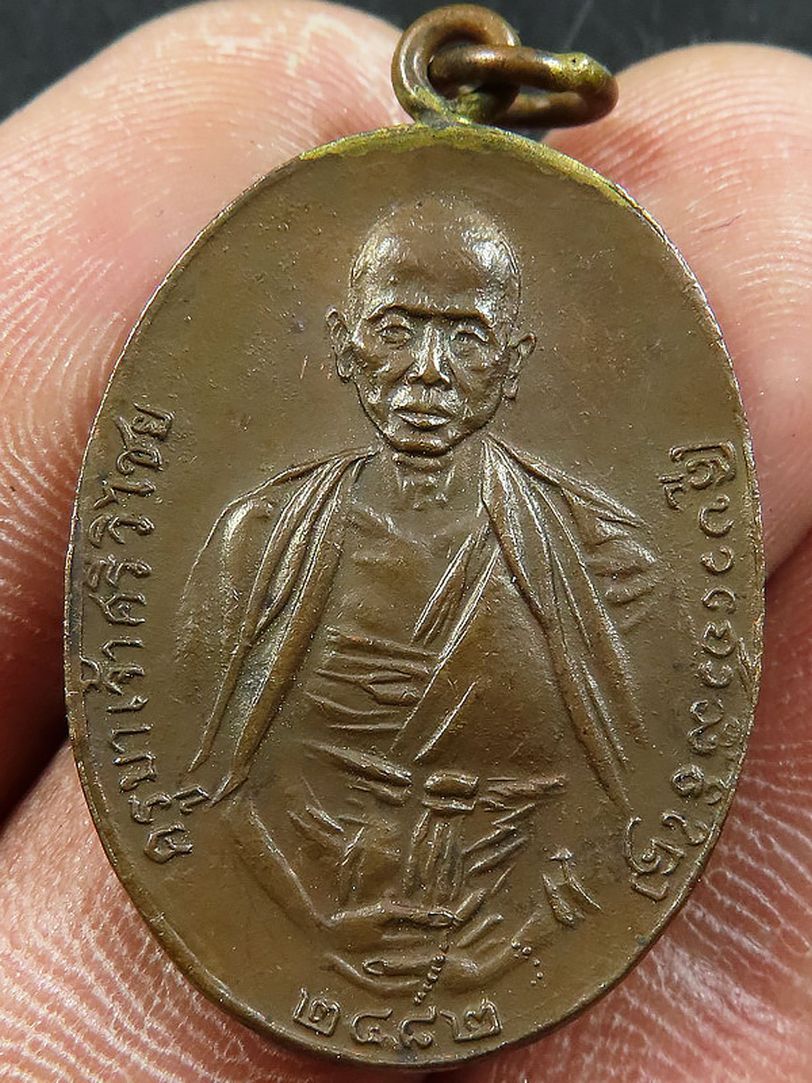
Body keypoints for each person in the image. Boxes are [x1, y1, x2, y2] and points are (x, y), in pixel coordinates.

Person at [0, 1, 809, 1078]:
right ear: (344, 347)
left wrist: (519, 925)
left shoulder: (604, 557)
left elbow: (626, 789)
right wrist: (306, 896)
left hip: (510, 917)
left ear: (512, 361)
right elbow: (201, 779)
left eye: (464, 339)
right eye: (396, 330)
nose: (426, 374)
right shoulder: (254, 543)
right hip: (302, 896)